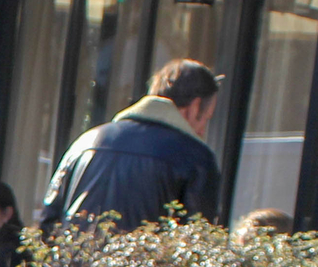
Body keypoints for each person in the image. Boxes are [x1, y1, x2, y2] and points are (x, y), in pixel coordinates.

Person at [40, 59, 221, 231]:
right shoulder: (196, 157)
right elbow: (197, 239)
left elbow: (48, 222)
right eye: (206, 119)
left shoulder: (85, 142)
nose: (202, 131)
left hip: (76, 261)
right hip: (143, 262)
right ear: (195, 107)